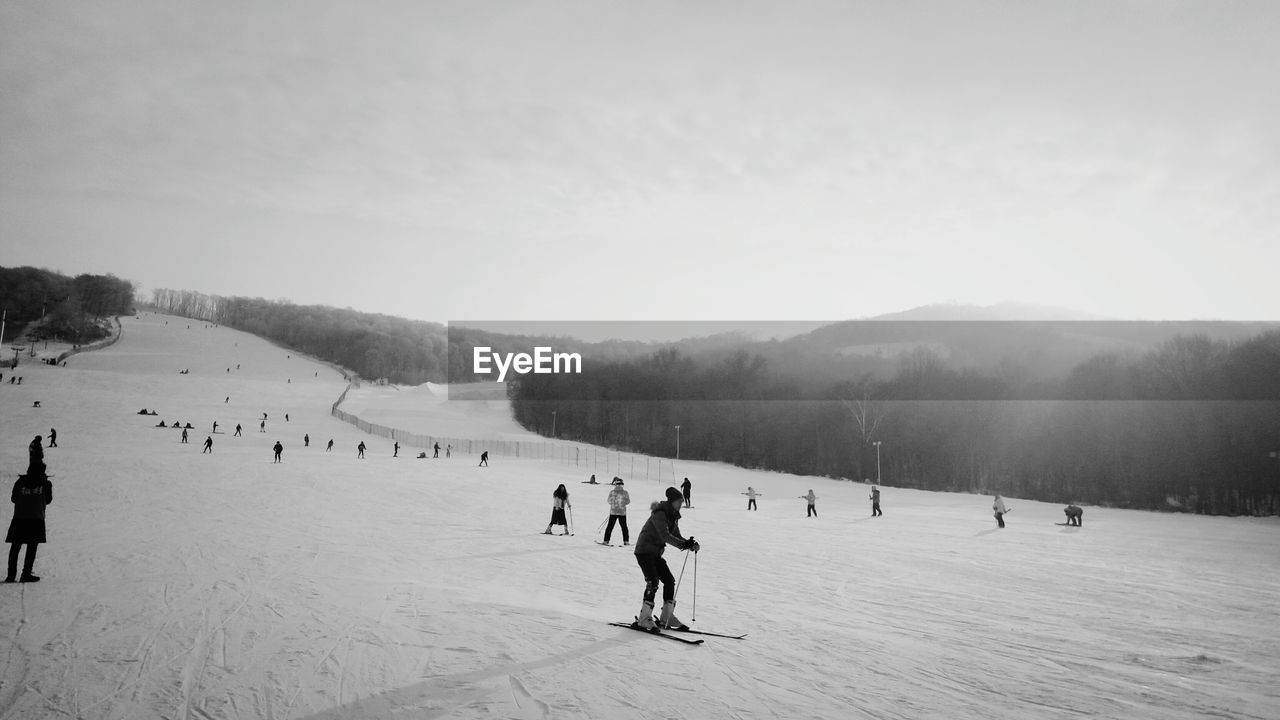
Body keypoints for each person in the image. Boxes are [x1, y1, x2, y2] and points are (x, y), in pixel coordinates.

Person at [632, 487, 699, 631]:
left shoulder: (672, 515)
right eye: (679, 501)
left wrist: (689, 544)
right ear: (672, 501)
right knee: (653, 582)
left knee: (669, 580)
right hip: (644, 551)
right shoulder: (660, 513)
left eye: (682, 501)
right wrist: (682, 544)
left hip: (655, 553)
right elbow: (665, 535)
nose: (681, 503)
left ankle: (667, 617)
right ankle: (644, 619)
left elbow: (676, 535)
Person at [5, 463, 52, 583]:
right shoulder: (46, 483)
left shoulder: (20, 482)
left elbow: (13, 498)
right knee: (32, 547)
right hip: (36, 518)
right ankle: (26, 573)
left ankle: (11, 575)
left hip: (19, 517)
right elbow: (48, 500)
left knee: (15, 546)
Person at [603, 478, 631, 545]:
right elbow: (628, 501)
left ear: (616, 484)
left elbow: (609, 501)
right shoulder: (625, 492)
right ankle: (626, 541)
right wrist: (622, 504)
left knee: (610, 527)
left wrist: (614, 505)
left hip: (613, 512)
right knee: (624, 527)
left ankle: (606, 541)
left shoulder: (612, 492)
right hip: (622, 512)